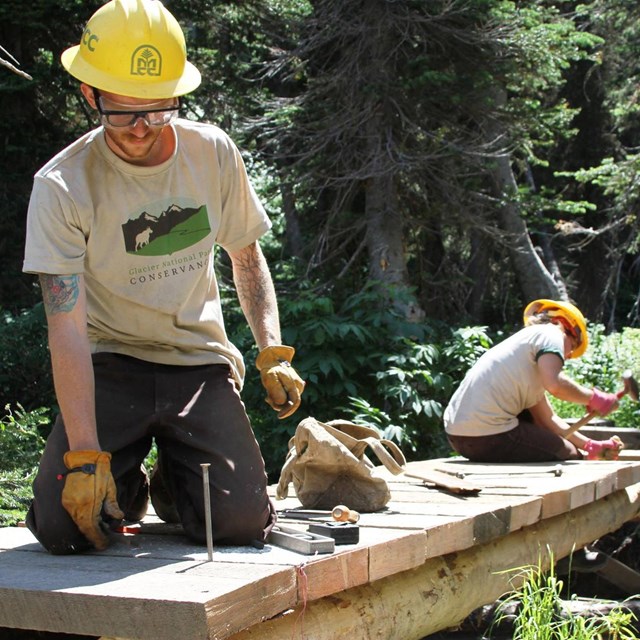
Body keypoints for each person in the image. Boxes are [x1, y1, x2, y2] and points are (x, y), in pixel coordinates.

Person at [22, 0, 305, 555]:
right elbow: (68, 331)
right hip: (110, 362)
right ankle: (123, 481)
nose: (141, 129)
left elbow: (246, 258)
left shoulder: (212, 152)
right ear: (90, 94)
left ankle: (181, 484)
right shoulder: (62, 186)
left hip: (197, 362)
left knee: (243, 524)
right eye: (123, 113)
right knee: (64, 529)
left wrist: (271, 348)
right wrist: (83, 456)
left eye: (158, 111)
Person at [443, 299, 623, 463]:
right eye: (572, 347)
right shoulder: (551, 333)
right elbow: (555, 385)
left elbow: (547, 420)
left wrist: (589, 445)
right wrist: (594, 398)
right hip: (490, 436)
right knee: (567, 453)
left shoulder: (524, 356)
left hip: (458, 438)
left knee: (563, 444)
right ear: (565, 325)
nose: (568, 356)